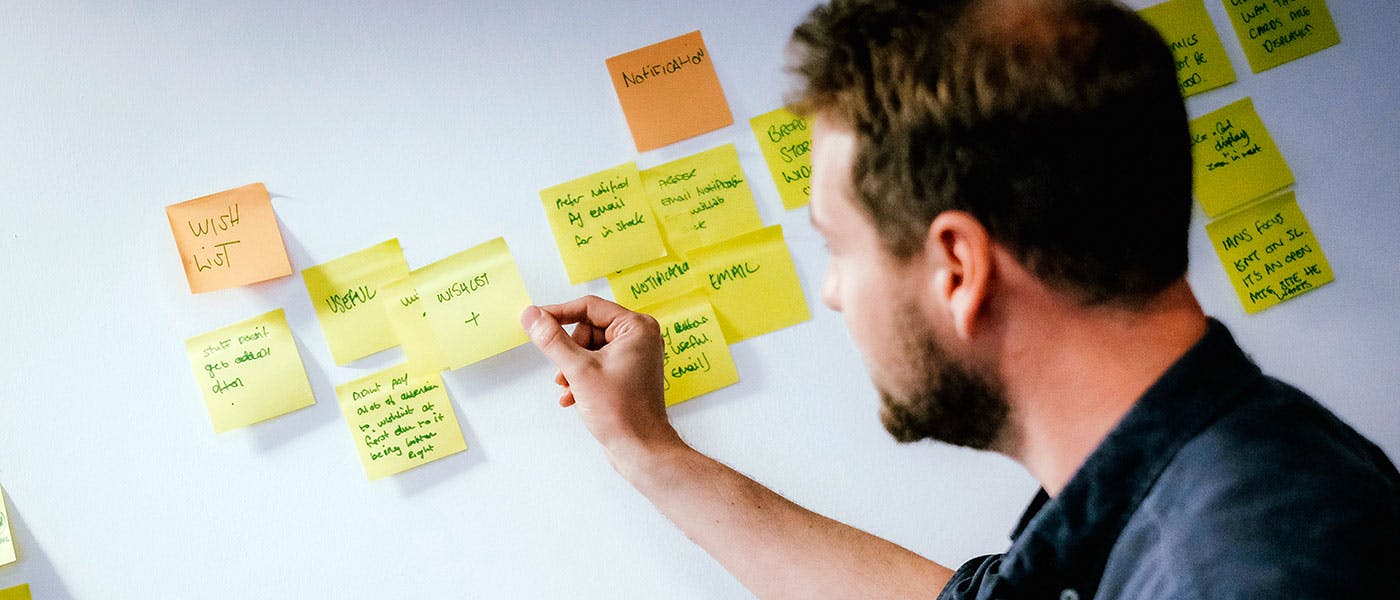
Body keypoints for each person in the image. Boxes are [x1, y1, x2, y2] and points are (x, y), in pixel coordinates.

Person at [519, 0, 1400, 597]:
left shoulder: (1246, 567)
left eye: (837, 247)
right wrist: (643, 447)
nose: (832, 294)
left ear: (957, 267)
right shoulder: (1200, 483)